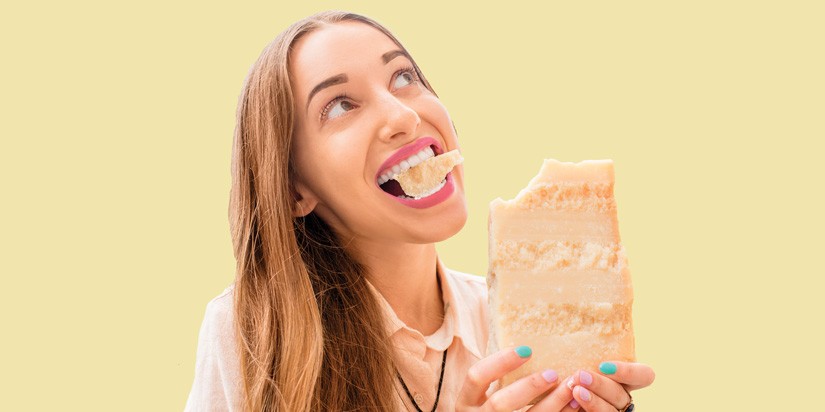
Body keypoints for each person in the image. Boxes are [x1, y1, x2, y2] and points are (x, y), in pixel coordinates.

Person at [185, 10, 655, 412]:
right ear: (294, 190)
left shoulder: (515, 330)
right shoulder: (253, 334)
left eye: (404, 78)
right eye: (340, 105)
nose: (404, 115)